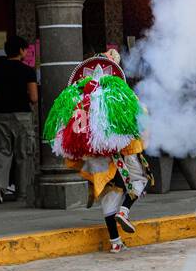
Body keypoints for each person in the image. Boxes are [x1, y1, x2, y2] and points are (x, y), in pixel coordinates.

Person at [43, 49, 151, 254]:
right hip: (123, 151)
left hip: (95, 154)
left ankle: (116, 242)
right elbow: (141, 119)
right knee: (140, 180)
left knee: (109, 193)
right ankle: (125, 212)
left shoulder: (79, 96)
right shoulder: (121, 94)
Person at [0, 35, 39, 205]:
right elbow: (34, 97)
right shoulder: (27, 71)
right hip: (22, 115)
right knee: (24, 154)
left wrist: (1, 99)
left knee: (2, 152)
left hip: (1, 115)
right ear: (21, 51)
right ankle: (23, 192)